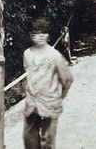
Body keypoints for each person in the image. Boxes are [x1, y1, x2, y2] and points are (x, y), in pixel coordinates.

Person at [21, 17, 73, 149]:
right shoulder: (27, 54)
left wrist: (58, 97)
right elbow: (29, 75)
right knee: (29, 138)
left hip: (49, 104)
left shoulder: (54, 55)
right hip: (32, 104)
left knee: (47, 141)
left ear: (48, 36)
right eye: (35, 34)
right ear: (30, 35)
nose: (39, 37)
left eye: (42, 33)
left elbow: (67, 79)